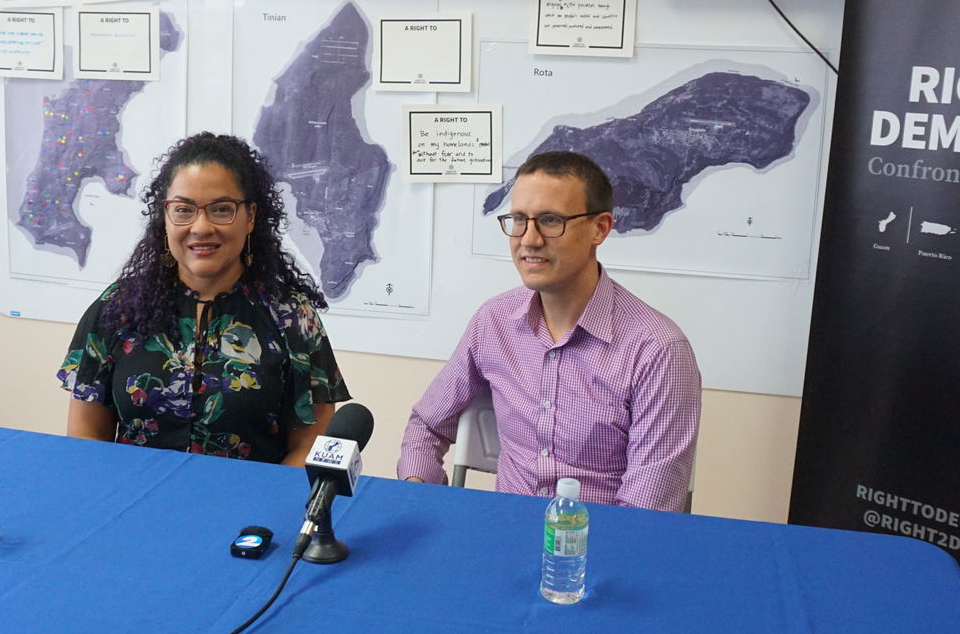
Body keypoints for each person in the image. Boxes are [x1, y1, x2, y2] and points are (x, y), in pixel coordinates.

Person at [397, 151, 701, 510]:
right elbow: (427, 425)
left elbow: (643, 516)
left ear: (600, 228)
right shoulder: (493, 322)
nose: (529, 239)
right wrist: (419, 494)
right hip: (503, 534)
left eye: (550, 220)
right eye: (519, 219)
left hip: (597, 547)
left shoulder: (659, 351)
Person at [59, 132, 349, 465]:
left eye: (221, 209)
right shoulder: (117, 308)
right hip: (136, 505)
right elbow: (86, 435)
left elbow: (310, 445)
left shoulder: (293, 317)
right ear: (165, 216)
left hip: (249, 508)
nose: (201, 227)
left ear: (250, 216)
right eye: (183, 209)